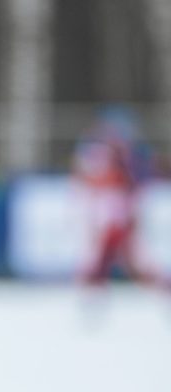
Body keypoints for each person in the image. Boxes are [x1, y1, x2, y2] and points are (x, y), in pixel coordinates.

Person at [72, 106, 155, 285]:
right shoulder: (104, 151)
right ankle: (93, 282)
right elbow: (87, 177)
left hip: (115, 205)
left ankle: (93, 281)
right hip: (107, 204)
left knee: (124, 251)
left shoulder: (123, 154)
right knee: (113, 250)